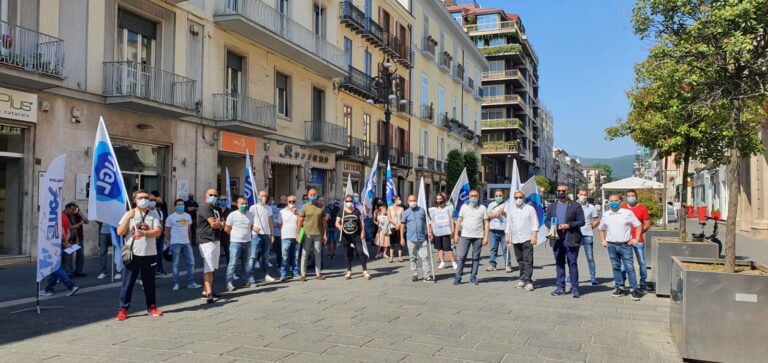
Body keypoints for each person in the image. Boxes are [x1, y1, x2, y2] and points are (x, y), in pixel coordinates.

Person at [115, 190, 163, 320]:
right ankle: (123, 309)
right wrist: (129, 217)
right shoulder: (129, 213)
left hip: (149, 253)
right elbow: (120, 231)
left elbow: (158, 232)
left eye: (146, 197)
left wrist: (144, 234)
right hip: (133, 254)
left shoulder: (154, 213)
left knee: (149, 283)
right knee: (128, 283)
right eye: (141, 197)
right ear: (135, 200)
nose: (144, 200)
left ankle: (152, 307)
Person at [599, 194, 643, 301]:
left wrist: (636, 239)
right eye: (611, 201)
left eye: (616, 201)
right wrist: (603, 240)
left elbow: (638, 225)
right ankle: (620, 287)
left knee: (629, 268)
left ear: (620, 201)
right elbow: (601, 228)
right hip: (612, 246)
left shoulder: (627, 213)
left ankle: (634, 289)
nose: (613, 202)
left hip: (625, 245)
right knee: (616, 267)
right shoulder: (606, 215)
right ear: (608, 202)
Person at [544, 184, 585, 298]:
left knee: (572, 264)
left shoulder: (575, 206)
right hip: (557, 240)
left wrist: (569, 225)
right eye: (559, 191)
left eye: (563, 191)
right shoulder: (552, 206)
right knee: (559, 264)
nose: (561, 193)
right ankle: (560, 287)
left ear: (567, 193)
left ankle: (575, 289)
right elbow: (546, 221)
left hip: (571, 239)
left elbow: (581, 221)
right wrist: (553, 225)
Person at [40, 206, 80, 297]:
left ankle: (72, 286)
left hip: (55, 245)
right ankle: (48, 289)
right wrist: (66, 242)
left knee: (55, 268)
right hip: (61, 244)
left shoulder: (56, 217)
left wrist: (65, 241)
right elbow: (68, 230)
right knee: (55, 268)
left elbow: (61, 231)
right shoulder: (64, 216)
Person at [453, 190, 489, 285]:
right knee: (461, 257)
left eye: (475, 196)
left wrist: (486, 237)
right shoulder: (464, 207)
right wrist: (456, 235)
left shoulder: (483, 208)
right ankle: (458, 277)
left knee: (476, 257)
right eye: (471, 196)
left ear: (478, 197)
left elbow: (486, 223)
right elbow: (459, 221)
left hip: (478, 236)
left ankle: (473, 277)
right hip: (465, 236)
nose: (473, 198)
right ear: (468, 197)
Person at [505, 191, 539, 291]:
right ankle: (522, 278)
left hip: (527, 238)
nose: (518, 199)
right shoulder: (511, 210)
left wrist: (534, 236)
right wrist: (507, 235)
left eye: (520, 197)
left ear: (524, 198)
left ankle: (528, 281)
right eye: (516, 197)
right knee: (520, 260)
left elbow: (535, 223)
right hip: (516, 238)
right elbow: (509, 224)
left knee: (528, 259)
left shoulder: (530, 209)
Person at [165, 199, 201, 290]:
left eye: (182, 204)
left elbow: (188, 230)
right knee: (175, 264)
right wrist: (171, 240)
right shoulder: (171, 217)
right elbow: (167, 231)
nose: (181, 206)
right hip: (175, 243)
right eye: (179, 205)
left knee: (191, 262)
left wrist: (187, 238)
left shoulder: (188, 216)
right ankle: (176, 283)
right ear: (175, 206)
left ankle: (191, 282)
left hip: (186, 242)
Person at [621, 189, 652, 291]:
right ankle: (622, 282)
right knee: (624, 263)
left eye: (633, 196)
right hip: (625, 240)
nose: (631, 198)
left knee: (641, 262)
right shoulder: (623, 208)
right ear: (626, 197)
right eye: (629, 196)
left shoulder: (642, 208)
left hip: (638, 240)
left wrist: (638, 234)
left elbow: (647, 224)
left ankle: (643, 282)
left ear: (636, 197)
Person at [197, 188, 224, 303]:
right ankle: (209, 293)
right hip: (206, 239)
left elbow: (222, 223)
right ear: (206, 196)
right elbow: (214, 224)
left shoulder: (217, 208)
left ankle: (205, 291)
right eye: (211, 195)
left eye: (215, 195)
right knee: (208, 267)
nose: (213, 196)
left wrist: (221, 223)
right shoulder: (204, 207)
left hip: (216, 239)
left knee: (212, 267)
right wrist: (220, 224)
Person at [336, 194, 370, 280]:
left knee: (360, 252)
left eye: (350, 201)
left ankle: (365, 271)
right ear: (344, 202)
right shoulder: (341, 211)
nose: (349, 203)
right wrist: (339, 226)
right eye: (347, 201)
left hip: (356, 235)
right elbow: (336, 222)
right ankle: (349, 271)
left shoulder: (357, 211)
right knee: (347, 253)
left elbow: (362, 222)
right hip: (345, 236)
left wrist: (363, 232)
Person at [224, 197, 254, 292]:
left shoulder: (251, 214)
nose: (244, 205)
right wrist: (234, 235)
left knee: (246, 263)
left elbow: (251, 226)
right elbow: (227, 228)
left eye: (245, 203)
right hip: (235, 242)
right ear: (237, 204)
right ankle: (229, 282)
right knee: (233, 263)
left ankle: (245, 281)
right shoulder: (232, 215)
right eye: (242, 204)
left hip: (247, 242)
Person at [297, 187, 327, 281]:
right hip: (307, 233)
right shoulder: (305, 207)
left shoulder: (321, 207)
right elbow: (300, 221)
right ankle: (303, 274)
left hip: (318, 233)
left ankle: (318, 273)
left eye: (314, 195)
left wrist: (325, 234)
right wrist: (298, 233)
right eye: (311, 195)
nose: (313, 196)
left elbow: (324, 222)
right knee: (305, 254)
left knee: (317, 253)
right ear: (308, 196)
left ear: (316, 195)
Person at [402, 195, 432, 282]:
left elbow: (428, 222)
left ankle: (427, 275)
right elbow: (402, 224)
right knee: (413, 257)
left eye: (414, 200)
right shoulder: (406, 212)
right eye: (411, 200)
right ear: (408, 202)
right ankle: (415, 274)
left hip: (422, 238)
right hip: (411, 239)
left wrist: (430, 232)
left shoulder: (422, 210)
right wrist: (401, 238)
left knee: (425, 257)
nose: (412, 202)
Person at [249, 190, 276, 285]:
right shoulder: (253, 207)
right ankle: (250, 276)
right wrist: (253, 227)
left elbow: (270, 221)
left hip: (266, 234)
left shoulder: (269, 208)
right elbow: (249, 219)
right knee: (253, 256)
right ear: (258, 196)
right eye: (261, 196)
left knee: (266, 256)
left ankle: (267, 274)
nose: (263, 197)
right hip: (256, 234)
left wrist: (272, 234)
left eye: (265, 196)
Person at [578, 189, 601, 286]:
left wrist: (590, 227)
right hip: (575, 235)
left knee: (590, 257)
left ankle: (593, 278)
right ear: (577, 195)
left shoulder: (591, 207)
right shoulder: (572, 205)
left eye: (585, 195)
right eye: (581, 194)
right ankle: (571, 277)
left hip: (587, 235)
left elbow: (597, 220)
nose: (583, 196)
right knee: (572, 258)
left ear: (587, 196)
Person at [429, 193, 456, 270]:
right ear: (435, 200)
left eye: (440, 199)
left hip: (446, 231)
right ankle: (442, 262)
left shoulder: (448, 209)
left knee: (448, 247)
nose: (439, 200)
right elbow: (431, 221)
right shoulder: (433, 210)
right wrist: (430, 231)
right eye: (438, 199)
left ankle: (453, 262)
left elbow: (451, 219)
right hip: (437, 231)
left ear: (443, 199)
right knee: (439, 247)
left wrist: (453, 229)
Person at [487, 189, 511, 273]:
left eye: (500, 195)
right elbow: (488, 215)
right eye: (496, 196)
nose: (498, 197)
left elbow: (510, 216)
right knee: (493, 248)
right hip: (493, 230)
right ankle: (492, 265)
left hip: (504, 231)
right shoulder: (491, 205)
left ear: (503, 196)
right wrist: (494, 214)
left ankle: (507, 265)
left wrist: (503, 212)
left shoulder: (507, 205)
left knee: (505, 249)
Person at [278, 195, 301, 281]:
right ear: (287, 202)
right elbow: (279, 224)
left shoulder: (298, 211)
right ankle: (283, 274)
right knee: (284, 257)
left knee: (295, 256)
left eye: (293, 201)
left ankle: (295, 273)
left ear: (296, 202)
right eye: (290, 201)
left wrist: (296, 213)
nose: (291, 203)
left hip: (296, 237)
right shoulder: (282, 211)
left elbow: (301, 222)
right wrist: (284, 232)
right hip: (286, 237)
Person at [148, 194, 166, 276]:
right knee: (151, 255)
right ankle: (151, 271)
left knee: (159, 253)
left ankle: (160, 269)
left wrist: (160, 234)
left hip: (159, 236)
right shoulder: (146, 212)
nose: (153, 202)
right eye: (151, 200)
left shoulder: (159, 212)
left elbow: (161, 224)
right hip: (150, 236)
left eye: (155, 200)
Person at [388, 195, 405, 263]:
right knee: (392, 242)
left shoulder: (401, 208)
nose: (399, 200)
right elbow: (389, 218)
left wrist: (399, 224)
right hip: (392, 226)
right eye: (398, 199)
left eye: (399, 199)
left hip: (400, 227)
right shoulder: (390, 208)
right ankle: (391, 256)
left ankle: (400, 256)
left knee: (400, 241)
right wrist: (395, 224)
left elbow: (403, 218)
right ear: (394, 200)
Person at [218, 195, 234, 266]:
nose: (223, 201)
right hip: (216, 235)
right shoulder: (216, 210)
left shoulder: (230, 211)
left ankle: (230, 270)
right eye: (221, 200)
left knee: (228, 253)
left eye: (225, 200)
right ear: (219, 201)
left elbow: (232, 223)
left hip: (226, 235)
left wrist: (225, 225)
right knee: (214, 254)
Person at [324, 195, 340, 259]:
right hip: (328, 226)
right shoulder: (326, 208)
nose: (332, 201)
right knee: (328, 241)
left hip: (335, 227)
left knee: (334, 241)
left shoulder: (338, 208)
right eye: (331, 199)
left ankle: (333, 252)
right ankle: (329, 253)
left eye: (333, 199)